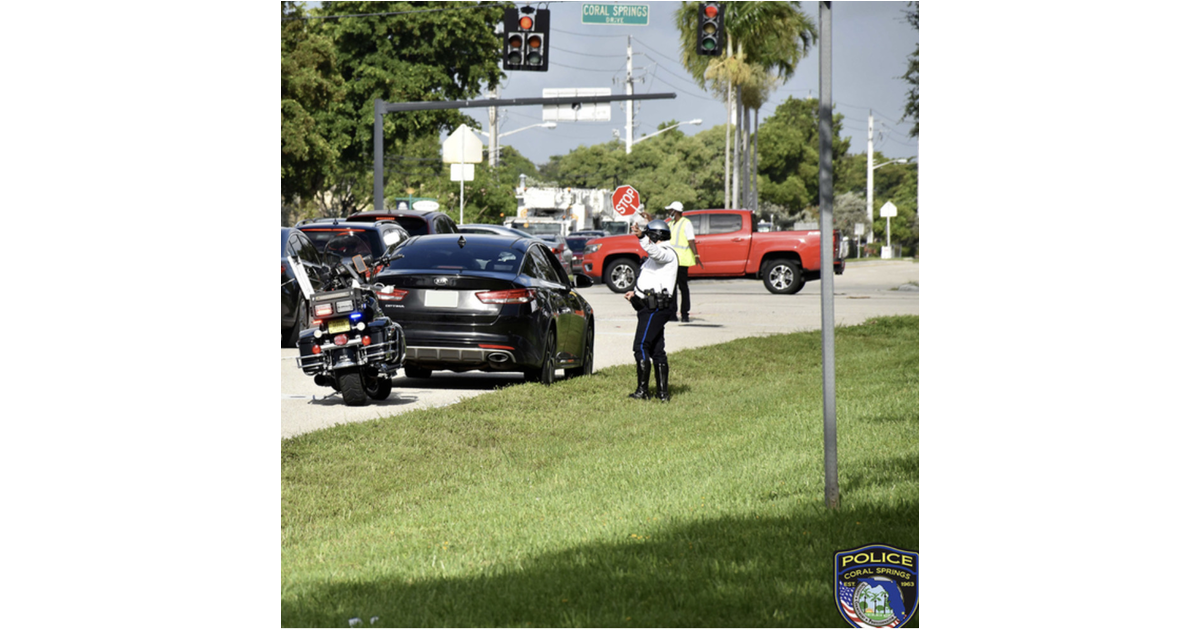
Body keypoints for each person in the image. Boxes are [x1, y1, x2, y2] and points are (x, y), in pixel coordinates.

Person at [624, 219, 678, 402]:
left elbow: (656, 253)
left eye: (649, 234)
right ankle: (663, 394)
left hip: (656, 307)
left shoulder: (667, 253)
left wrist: (641, 237)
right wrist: (635, 293)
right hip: (649, 305)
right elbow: (651, 280)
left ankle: (642, 391)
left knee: (640, 346)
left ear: (655, 236)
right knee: (657, 350)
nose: (647, 236)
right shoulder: (657, 257)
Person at [664, 201, 701, 322]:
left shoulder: (686, 223)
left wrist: (696, 255)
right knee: (672, 288)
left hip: (682, 260)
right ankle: (672, 314)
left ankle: (685, 314)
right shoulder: (671, 224)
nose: (669, 212)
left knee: (683, 288)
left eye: (670, 210)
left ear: (675, 211)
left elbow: (691, 241)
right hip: (672, 261)